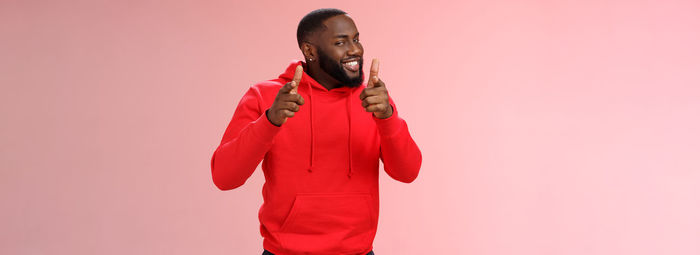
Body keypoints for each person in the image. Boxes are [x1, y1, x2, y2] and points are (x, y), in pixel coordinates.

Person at [210, 8, 422, 255]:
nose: (355, 49)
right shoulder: (267, 96)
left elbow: (408, 172)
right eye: (341, 42)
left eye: (356, 39)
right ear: (310, 51)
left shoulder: (373, 99)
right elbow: (225, 177)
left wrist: (387, 117)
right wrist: (270, 121)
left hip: (358, 252)